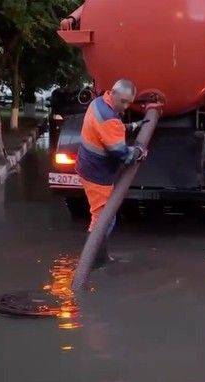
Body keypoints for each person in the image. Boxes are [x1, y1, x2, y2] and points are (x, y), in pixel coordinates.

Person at [76, 79, 148, 268]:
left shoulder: (98, 103)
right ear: (113, 93)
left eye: (128, 102)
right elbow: (123, 155)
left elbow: (108, 128)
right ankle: (93, 262)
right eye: (123, 101)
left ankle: (98, 258)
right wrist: (139, 152)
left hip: (87, 167)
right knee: (103, 219)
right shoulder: (110, 120)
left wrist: (133, 126)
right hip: (97, 175)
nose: (125, 106)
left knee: (103, 217)